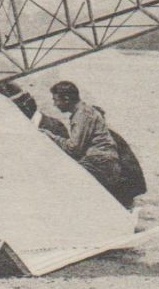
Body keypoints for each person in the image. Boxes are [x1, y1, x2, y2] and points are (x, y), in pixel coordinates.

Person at [45, 80, 148, 210]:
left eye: (56, 100)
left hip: (99, 162)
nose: (54, 104)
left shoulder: (82, 115)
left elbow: (73, 148)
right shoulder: (84, 112)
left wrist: (52, 137)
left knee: (65, 180)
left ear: (66, 99)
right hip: (104, 162)